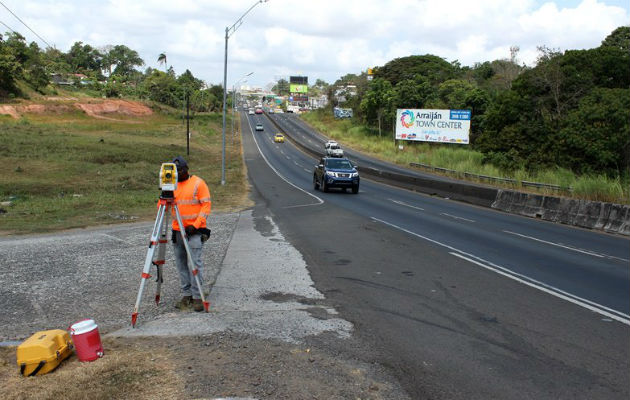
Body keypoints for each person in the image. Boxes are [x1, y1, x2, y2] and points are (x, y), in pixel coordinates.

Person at [171, 156, 211, 312]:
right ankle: (186, 294)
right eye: (175, 171)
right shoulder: (171, 185)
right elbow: (163, 208)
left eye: (180, 170)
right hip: (177, 231)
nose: (178, 173)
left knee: (194, 264)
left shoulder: (198, 183)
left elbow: (206, 206)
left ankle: (197, 297)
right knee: (181, 265)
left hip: (194, 232)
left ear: (186, 169)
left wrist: (195, 226)